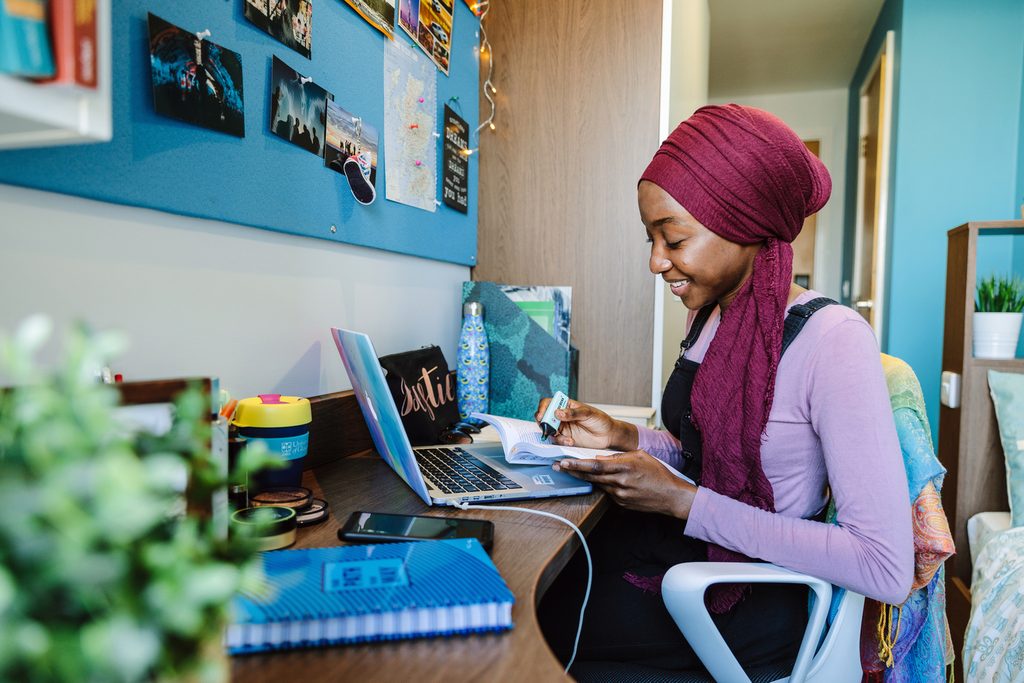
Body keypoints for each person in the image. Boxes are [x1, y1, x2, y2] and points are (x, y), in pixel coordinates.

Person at [537, 104, 914, 672]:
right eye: (651, 238)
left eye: (674, 239)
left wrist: (684, 502)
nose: (656, 261)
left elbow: (884, 565)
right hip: (687, 548)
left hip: (753, 592)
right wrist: (621, 436)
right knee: (540, 580)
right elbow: (700, 452)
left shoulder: (833, 339)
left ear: (744, 227)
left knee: (540, 619)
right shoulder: (710, 317)